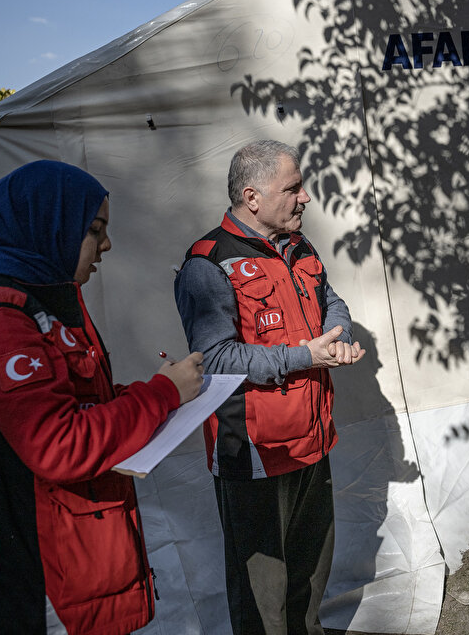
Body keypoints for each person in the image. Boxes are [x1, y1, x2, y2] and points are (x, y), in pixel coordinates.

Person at [0, 160, 204, 635]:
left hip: (74, 552)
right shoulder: (0, 318)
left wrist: (158, 391)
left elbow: (77, 401)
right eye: (95, 230)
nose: (107, 245)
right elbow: (56, 443)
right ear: (47, 225)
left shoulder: (47, 298)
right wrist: (161, 394)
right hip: (29, 576)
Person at [174, 140, 365, 635]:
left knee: (309, 581)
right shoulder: (208, 262)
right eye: (293, 188)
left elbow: (331, 301)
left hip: (313, 442)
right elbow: (215, 358)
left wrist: (338, 337)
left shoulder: (300, 247)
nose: (305, 198)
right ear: (252, 196)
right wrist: (309, 355)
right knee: (263, 600)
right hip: (254, 454)